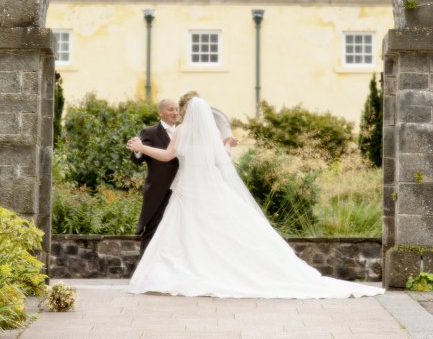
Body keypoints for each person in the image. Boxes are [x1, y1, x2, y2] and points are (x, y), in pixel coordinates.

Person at [127, 96, 385, 299]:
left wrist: (141, 147)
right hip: (208, 189)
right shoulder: (211, 135)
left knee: (186, 234)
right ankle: (213, 270)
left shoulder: (182, 131)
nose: (178, 113)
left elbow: (167, 156)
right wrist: (228, 143)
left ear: (187, 113)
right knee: (216, 232)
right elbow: (223, 159)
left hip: (188, 191)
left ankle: (186, 272)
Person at [129, 98, 179, 257]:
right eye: (171, 109)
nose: (175, 112)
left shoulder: (184, 132)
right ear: (160, 112)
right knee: (153, 228)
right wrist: (138, 150)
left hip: (182, 187)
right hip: (159, 189)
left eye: (177, 109)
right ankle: (144, 270)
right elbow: (138, 159)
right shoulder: (150, 132)